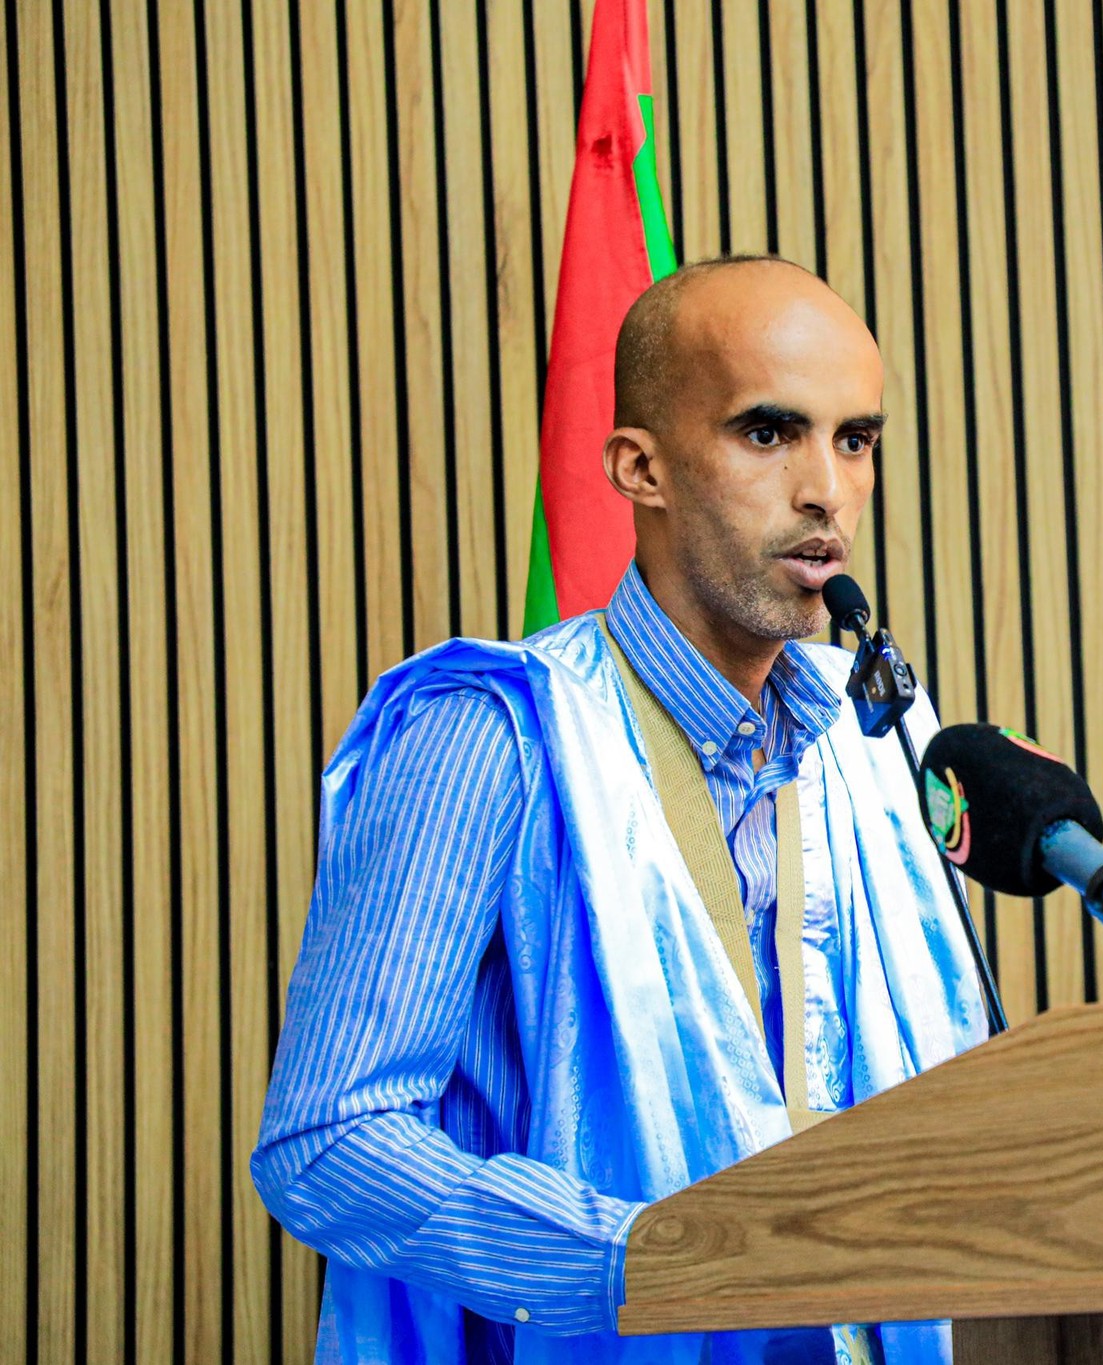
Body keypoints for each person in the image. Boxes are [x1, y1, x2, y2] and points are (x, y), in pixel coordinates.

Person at [252, 257, 987, 1365]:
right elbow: (328, 1140)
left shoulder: (884, 734)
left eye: (854, 440)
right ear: (639, 468)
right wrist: (646, 1265)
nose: (825, 491)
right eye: (768, 432)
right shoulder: (490, 731)